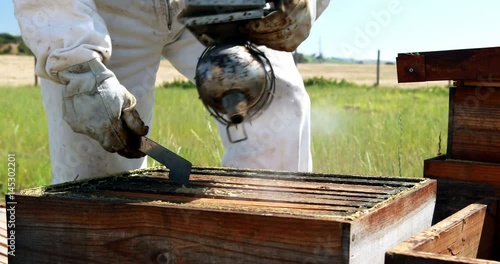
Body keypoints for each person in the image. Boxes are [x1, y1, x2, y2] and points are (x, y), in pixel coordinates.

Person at [14, 0, 330, 184]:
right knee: (94, 166)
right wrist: (77, 63)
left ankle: (270, 238)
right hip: (105, 10)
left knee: (279, 103)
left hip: (218, 4)